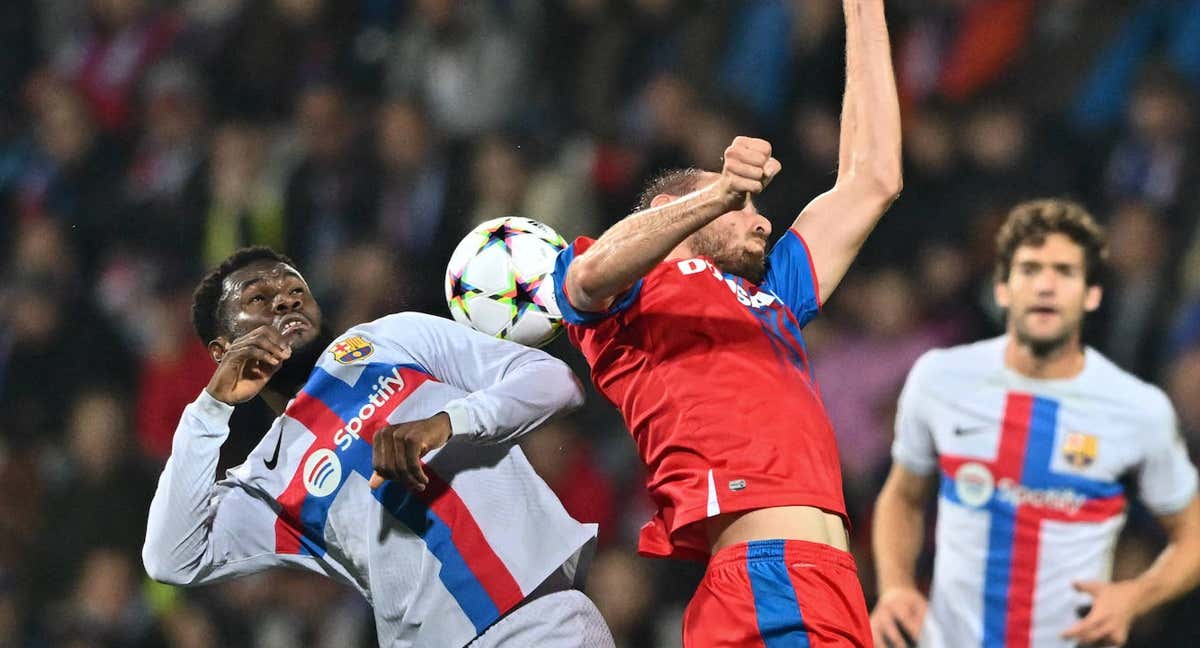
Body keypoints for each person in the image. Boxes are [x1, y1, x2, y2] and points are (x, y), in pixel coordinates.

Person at [551, 0, 902, 644]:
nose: (762, 219)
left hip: (830, 581)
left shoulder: (772, 299)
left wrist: (865, 9)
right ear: (672, 206)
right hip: (769, 581)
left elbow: (872, 178)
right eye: (745, 204)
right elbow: (586, 277)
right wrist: (719, 192)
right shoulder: (634, 299)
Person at [142, 246, 614, 647]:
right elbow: (172, 558)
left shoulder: (391, 338)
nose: (285, 302)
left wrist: (449, 422)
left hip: (540, 624)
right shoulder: (266, 480)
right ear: (223, 350)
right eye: (259, 299)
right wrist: (209, 409)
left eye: (294, 290)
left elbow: (555, 382)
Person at [869, 199, 1200, 648]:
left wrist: (1134, 597)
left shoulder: (1137, 407)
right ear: (1002, 288)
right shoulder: (940, 379)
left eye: (1064, 272)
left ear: (1092, 294)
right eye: (1029, 269)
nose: (1045, 285)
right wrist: (895, 587)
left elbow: (1193, 533)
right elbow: (903, 497)